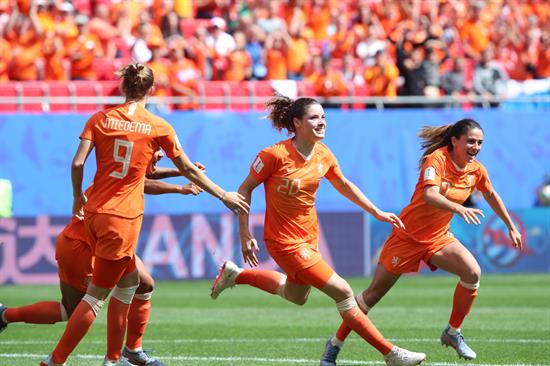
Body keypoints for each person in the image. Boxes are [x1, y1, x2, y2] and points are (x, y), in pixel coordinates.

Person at [40, 63, 249, 366]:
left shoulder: (100, 119)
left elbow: (77, 164)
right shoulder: (158, 126)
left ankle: (119, 357)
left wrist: (76, 197)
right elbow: (188, 168)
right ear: (151, 90)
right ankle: (54, 361)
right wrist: (223, 195)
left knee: (134, 283)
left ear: (123, 87)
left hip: (94, 213)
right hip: (122, 220)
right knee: (95, 298)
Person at [210, 95, 426, 366]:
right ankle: (391, 354)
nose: (322, 122)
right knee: (344, 292)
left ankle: (236, 275)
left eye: (323, 117)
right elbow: (244, 189)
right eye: (314, 117)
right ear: (297, 123)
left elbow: (344, 184)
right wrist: (244, 234)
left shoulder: (323, 154)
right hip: (284, 241)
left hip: (308, 237)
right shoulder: (273, 155)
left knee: (296, 295)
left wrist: (376, 211)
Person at [320, 118, 523, 364]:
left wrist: (510, 226)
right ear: (455, 141)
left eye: (480, 143)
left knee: (472, 273)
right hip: (407, 236)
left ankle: (452, 332)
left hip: (438, 238)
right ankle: (334, 344)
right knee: (372, 295)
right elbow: (430, 196)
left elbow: (490, 194)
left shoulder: (476, 170)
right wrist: (458, 209)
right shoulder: (436, 160)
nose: (476, 147)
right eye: (470, 141)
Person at [0, 151, 202, 366]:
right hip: (85, 246)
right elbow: (142, 182)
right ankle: (73, 359)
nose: (161, 154)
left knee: (143, 284)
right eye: (156, 149)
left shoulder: (123, 166)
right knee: (81, 305)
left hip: (102, 241)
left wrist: (180, 171)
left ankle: (130, 351)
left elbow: (145, 175)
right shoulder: (126, 175)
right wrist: (180, 187)